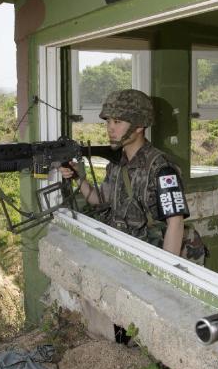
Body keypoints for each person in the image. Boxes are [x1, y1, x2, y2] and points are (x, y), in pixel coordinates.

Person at [61, 89, 193, 257]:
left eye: (117, 122)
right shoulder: (117, 163)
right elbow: (99, 200)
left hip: (151, 255)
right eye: (108, 122)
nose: (110, 129)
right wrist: (79, 178)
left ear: (139, 125)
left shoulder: (161, 169)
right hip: (124, 251)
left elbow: (176, 223)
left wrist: (165, 273)